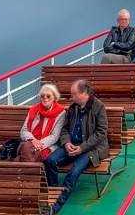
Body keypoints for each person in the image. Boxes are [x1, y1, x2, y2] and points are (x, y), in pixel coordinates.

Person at [44, 79, 109, 214]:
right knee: (50, 161)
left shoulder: (98, 107)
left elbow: (101, 133)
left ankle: (56, 206)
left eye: (74, 94)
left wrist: (82, 148)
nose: (71, 97)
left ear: (84, 93)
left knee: (73, 172)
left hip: (90, 149)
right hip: (71, 145)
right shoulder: (73, 108)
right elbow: (65, 129)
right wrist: (67, 143)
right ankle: (52, 196)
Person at [18, 83, 67, 162]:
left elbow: (55, 136)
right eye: (42, 96)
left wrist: (39, 144)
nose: (45, 98)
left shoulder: (61, 112)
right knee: (28, 150)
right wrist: (33, 140)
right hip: (30, 142)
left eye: (48, 96)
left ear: (54, 97)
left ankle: (23, 170)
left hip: (47, 145)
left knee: (28, 153)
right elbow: (24, 130)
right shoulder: (33, 110)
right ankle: (30, 172)